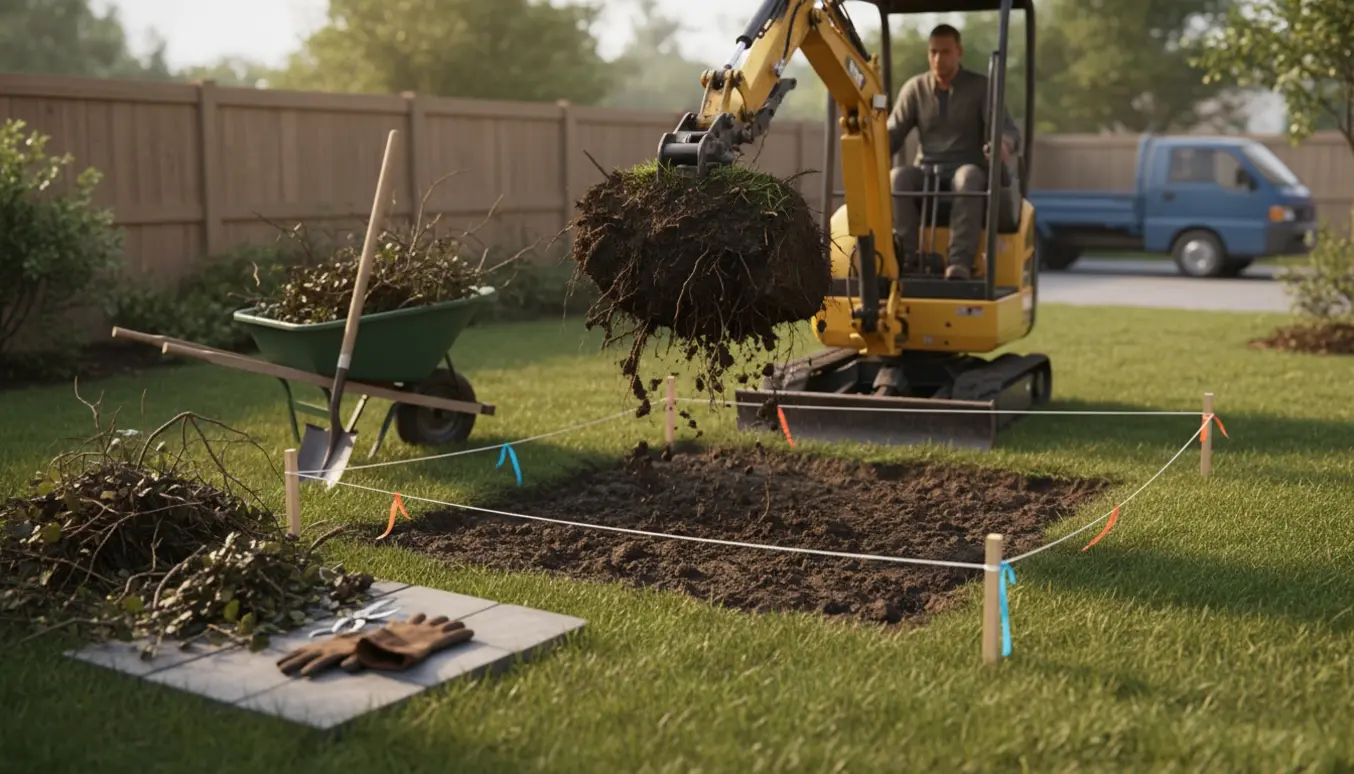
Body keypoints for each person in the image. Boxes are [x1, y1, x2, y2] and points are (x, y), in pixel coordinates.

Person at [886, 24, 1022, 280]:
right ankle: (906, 258)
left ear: (959, 52)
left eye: (945, 52)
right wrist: (871, 138)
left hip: (967, 170)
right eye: (933, 52)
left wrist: (1002, 143)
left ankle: (959, 262)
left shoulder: (981, 87)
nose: (938, 59)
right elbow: (892, 133)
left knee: (967, 177)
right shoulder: (915, 89)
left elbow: (1009, 131)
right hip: (928, 172)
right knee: (898, 177)